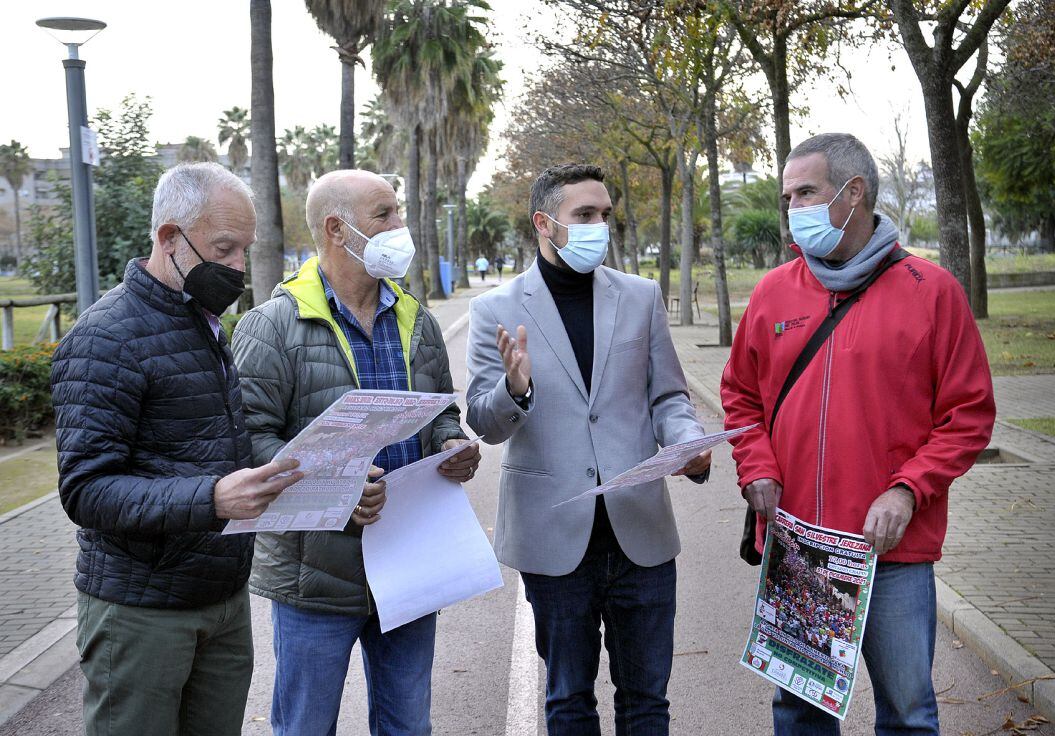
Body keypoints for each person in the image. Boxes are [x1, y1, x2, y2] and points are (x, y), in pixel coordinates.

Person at [720, 133, 995, 735]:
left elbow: (969, 413)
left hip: (890, 553)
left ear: (854, 193)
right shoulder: (773, 293)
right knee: (799, 710)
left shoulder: (932, 292)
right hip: (801, 551)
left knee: (907, 713)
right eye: (787, 196)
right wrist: (756, 465)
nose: (793, 209)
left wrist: (907, 489)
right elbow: (739, 394)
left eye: (806, 193)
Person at [50, 162, 304, 736]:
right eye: (224, 248)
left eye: (245, 249)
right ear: (169, 238)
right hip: (141, 611)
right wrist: (212, 499)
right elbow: (87, 490)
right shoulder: (104, 337)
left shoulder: (204, 324)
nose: (239, 266)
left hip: (222, 598)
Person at [232, 169, 480, 736]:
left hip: (412, 561)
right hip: (314, 574)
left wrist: (450, 441)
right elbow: (249, 439)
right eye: (385, 215)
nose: (401, 226)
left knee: (407, 725)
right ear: (337, 230)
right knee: (305, 726)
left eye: (399, 213)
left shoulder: (415, 319)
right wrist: (337, 486)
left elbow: (439, 407)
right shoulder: (271, 326)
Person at [465, 163, 711, 735]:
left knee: (647, 700)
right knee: (569, 699)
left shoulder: (641, 296)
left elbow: (670, 398)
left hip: (640, 534)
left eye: (605, 215)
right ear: (544, 224)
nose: (600, 225)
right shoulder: (495, 311)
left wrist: (689, 442)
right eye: (584, 216)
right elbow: (484, 421)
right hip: (554, 539)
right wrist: (514, 388)